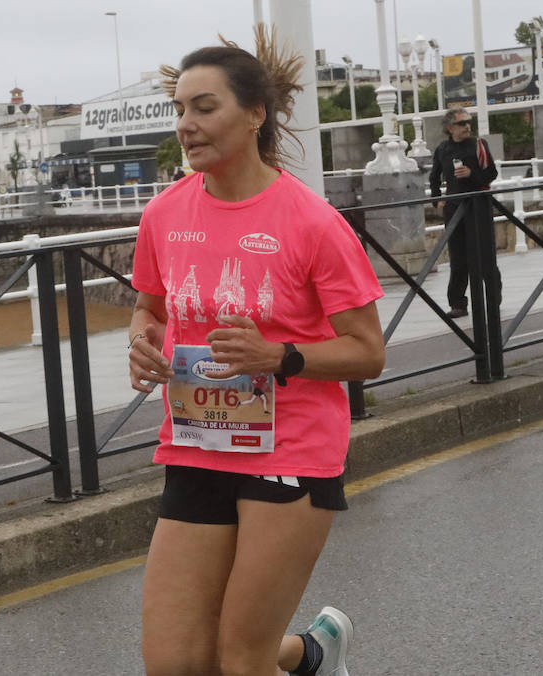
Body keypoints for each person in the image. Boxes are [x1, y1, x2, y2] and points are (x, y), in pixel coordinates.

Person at [127, 37, 386, 676]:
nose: (186, 125)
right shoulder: (163, 215)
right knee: (175, 664)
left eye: (204, 107)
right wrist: (143, 343)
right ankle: (311, 654)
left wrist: (279, 357)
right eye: (180, 109)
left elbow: (367, 351)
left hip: (289, 450)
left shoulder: (312, 222)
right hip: (196, 440)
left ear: (254, 114)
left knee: (241, 662)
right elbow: (151, 309)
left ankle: (301, 655)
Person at [427, 107, 501, 319]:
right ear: (450, 128)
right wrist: (436, 200)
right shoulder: (442, 149)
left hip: (478, 205)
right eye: (462, 123)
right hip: (454, 208)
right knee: (458, 259)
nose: (467, 126)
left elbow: (491, 174)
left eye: (469, 122)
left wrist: (471, 173)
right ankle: (458, 304)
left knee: (484, 255)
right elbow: (434, 176)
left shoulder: (478, 144)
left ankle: (493, 298)